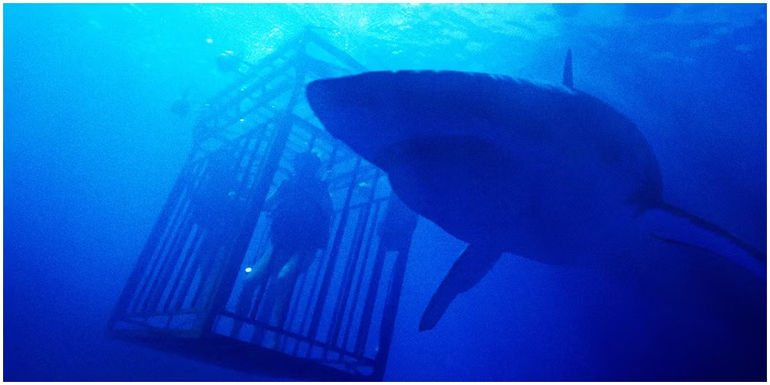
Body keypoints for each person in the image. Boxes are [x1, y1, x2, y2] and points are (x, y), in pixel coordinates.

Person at [237, 151, 333, 346]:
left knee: (282, 281)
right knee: (250, 282)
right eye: (300, 164)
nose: (301, 169)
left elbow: (329, 213)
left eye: (306, 165)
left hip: (304, 248)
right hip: (278, 245)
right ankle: (237, 328)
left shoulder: (321, 189)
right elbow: (265, 205)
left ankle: (273, 338)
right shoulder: (287, 185)